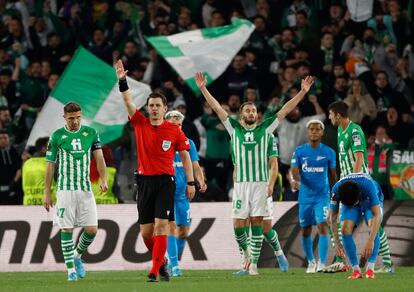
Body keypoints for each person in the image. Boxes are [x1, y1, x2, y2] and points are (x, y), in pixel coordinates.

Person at [195, 71, 313, 275]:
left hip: (260, 183)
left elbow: (285, 110)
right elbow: (216, 108)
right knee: (238, 227)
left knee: (258, 223)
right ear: (241, 115)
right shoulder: (233, 129)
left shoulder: (266, 129)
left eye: (253, 111)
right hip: (240, 184)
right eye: (247, 111)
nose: (251, 113)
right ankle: (248, 256)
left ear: (257, 115)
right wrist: (203, 88)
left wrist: (302, 93)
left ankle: (253, 266)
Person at [115, 60, 195, 282]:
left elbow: (186, 157)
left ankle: (154, 270)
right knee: (146, 233)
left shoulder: (174, 130)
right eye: (151, 105)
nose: (154, 108)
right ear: (148, 107)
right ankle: (162, 263)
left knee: (162, 227)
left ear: (165, 108)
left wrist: (190, 182)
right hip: (144, 182)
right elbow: (127, 100)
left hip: (165, 182)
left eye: (158, 105)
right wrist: (122, 80)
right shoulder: (140, 123)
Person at [43, 102, 108, 281]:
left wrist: (104, 179)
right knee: (67, 229)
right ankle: (71, 270)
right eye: (71, 118)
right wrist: (47, 192)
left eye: (78, 117)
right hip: (65, 191)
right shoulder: (57, 136)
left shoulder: (91, 133)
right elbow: (50, 165)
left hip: (85, 189)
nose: (75, 121)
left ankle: (77, 256)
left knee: (92, 230)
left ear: (82, 115)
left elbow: (100, 158)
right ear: (64, 117)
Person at [328, 101, 393, 273]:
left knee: (375, 225)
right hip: (346, 186)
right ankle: (344, 262)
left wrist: (352, 181)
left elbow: (358, 158)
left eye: (331, 114)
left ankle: (387, 264)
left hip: (359, 185)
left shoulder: (354, 130)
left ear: (338, 116)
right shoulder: (340, 131)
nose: (329, 117)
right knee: (342, 225)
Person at [290, 120, 337, 273]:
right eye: (311, 129)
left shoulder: (329, 152)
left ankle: (322, 263)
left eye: (318, 129)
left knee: (323, 226)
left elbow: (333, 176)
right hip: (305, 197)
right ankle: (311, 262)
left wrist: (336, 194)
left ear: (322, 133)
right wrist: (294, 179)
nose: (314, 132)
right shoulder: (299, 151)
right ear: (307, 132)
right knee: (305, 230)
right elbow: (294, 171)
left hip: (322, 196)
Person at [165, 110, 207, 277]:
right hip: (166, 193)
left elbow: (195, 165)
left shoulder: (189, 143)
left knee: (184, 231)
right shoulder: (162, 142)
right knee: (171, 227)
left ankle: (173, 260)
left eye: (179, 125)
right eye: (173, 125)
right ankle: (174, 265)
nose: (176, 128)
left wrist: (200, 181)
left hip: (183, 194)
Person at [329, 173, 383, 279]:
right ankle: (356, 271)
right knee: (345, 229)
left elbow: (377, 215)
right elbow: (332, 217)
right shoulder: (336, 190)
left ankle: (370, 269)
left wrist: (370, 240)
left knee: (373, 225)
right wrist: (337, 242)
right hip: (351, 197)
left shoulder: (369, 186)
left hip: (369, 199)